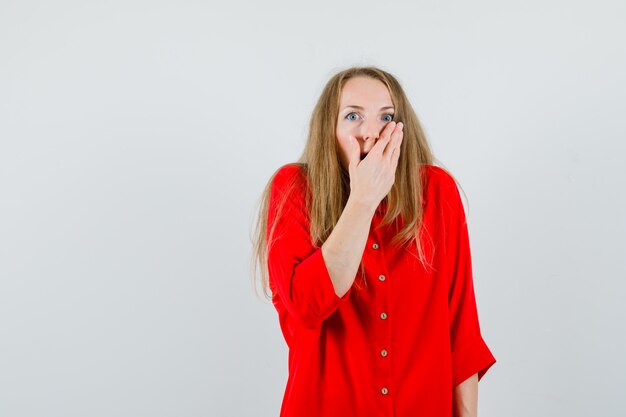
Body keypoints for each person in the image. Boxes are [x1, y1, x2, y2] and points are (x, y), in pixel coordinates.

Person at [250, 66, 496, 417]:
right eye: (353, 116)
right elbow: (307, 305)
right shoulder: (292, 189)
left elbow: (461, 328)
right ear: (329, 128)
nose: (371, 132)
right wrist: (363, 200)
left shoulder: (438, 192)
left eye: (386, 117)